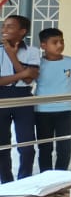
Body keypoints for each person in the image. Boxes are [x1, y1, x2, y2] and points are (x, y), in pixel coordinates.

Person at [0, 14, 40, 182]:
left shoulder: (32, 51)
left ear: (22, 31)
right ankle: (7, 183)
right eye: (4, 26)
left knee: (27, 145)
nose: (4, 29)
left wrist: (12, 55)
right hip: (2, 96)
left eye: (10, 26)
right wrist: (23, 73)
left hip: (24, 97)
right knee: (2, 144)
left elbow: (30, 79)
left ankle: (25, 182)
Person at [35, 27, 71, 171]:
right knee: (45, 147)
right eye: (55, 42)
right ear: (43, 45)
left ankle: (60, 178)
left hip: (65, 110)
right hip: (42, 111)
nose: (60, 45)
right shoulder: (37, 64)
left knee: (65, 147)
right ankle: (46, 178)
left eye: (62, 41)